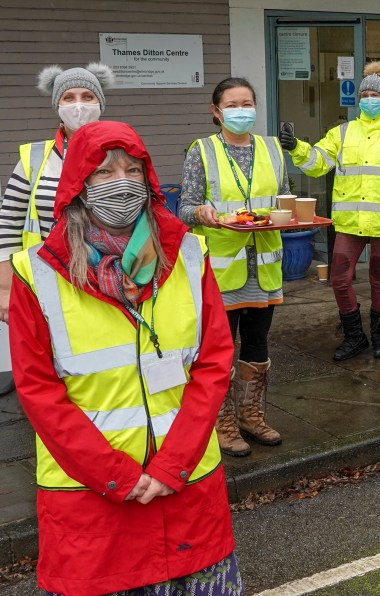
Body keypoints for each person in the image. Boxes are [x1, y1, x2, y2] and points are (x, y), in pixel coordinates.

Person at [8, 120, 240, 595]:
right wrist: (116, 477)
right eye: (104, 173)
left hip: (186, 487)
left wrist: (170, 465)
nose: (122, 183)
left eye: (133, 171)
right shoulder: (37, 273)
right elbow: (37, 389)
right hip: (93, 499)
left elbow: (214, 362)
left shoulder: (188, 254)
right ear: (78, 185)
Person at [280, 61, 380, 361]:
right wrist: (296, 147)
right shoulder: (342, 133)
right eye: (364, 95)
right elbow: (318, 162)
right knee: (340, 280)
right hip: (349, 223)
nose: (369, 100)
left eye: (375, 96)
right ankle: (355, 336)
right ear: (359, 100)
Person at [180, 77, 287, 457]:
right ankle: (221, 421)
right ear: (216, 111)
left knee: (257, 342)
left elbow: (282, 200)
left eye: (248, 103)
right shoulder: (202, 151)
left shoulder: (272, 148)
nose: (243, 110)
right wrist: (202, 212)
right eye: (233, 104)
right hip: (222, 269)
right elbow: (185, 207)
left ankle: (251, 416)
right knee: (220, 349)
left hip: (264, 265)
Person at [0, 63, 114, 397]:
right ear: (57, 105)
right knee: (49, 364)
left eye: (88, 95)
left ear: (100, 103)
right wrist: (5, 287)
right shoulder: (35, 157)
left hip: (105, 276)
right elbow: (7, 221)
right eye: (69, 96)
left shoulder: (118, 150)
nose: (79, 104)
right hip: (46, 277)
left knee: (100, 355)